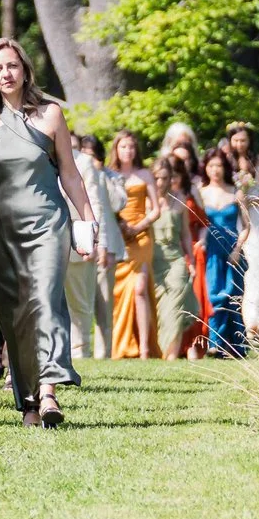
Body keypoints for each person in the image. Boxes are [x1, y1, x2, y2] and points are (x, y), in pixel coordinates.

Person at [0, 37, 98, 428]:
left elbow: (70, 174)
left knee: (45, 300)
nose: (6, 73)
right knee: (15, 316)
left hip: (48, 224)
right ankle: (26, 399)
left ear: (25, 70)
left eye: (12, 65)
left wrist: (88, 222)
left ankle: (48, 394)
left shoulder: (51, 114)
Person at [105, 130, 158, 359]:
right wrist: (120, 224)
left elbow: (156, 209)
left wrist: (139, 225)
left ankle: (145, 348)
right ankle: (122, 345)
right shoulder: (109, 174)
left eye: (132, 147)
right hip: (118, 235)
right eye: (124, 146)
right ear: (116, 149)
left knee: (139, 289)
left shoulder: (145, 174)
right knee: (120, 293)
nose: (128, 151)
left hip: (142, 235)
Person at [149, 149, 205, 361]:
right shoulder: (146, 201)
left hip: (175, 260)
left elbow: (184, 234)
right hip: (153, 260)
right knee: (161, 311)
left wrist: (189, 261)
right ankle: (159, 351)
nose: (161, 182)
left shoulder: (179, 200)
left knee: (175, 305)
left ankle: (170, 355)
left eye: (165, 178)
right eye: (156, 178)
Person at [66, 134, 118, 361]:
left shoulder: (84, 163)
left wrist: (98, 241)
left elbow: (96, 205)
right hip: (46, 241)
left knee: (80, 305)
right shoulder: (41, 155)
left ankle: (80, 354)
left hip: (79, 241)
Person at [224, 122, 259, 342]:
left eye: (243, 140)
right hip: (233, 217)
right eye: (235, 140)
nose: (239, 144)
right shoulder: (225, 163)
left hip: (255, 218)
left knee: (257, 266)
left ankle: (256, 322)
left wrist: (253, 199)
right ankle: (236, 319)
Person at [197, 148, 249, 358]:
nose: (215, 170)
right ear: (206, 168)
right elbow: (199, 224)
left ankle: (236, 346)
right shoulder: (201, 193)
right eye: (211, 166)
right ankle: (214, 343)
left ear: (225, 167)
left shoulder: (236, 193)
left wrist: (237, 249)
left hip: (232, 251)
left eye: (219, 165)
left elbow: (246, 226)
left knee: (233, 296)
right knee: (213, 296)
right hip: (211, 252)